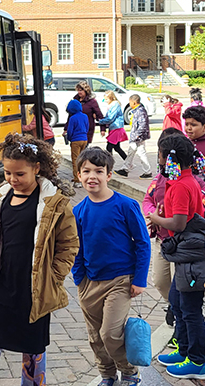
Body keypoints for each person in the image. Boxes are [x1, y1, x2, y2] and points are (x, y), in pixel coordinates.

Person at [0, 133, 79, 385]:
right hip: (3, 284)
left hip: (35, 288)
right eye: (7, 173)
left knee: (33, 351)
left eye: (20, 174)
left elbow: (69, 244)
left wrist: (53, 276)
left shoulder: (53, 203)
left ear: (37, 168)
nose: (13, 179)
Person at [72, 147, 151, 386]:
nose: (92, 176)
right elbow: (79, 247)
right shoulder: (78, 210)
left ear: (109, 175)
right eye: (86, 171)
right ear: (78, 175)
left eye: (98, 171)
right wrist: (79, 279)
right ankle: (107, 374)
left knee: (110, 333)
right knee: (96, 337)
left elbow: (143, 243)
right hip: (89, 282)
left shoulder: (125, 205)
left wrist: (139, 279)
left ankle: (129, 371)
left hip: (120, 281)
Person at [141, 128, 205, 342]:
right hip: (183, 247)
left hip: (187, 249)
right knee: (179, 303)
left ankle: (195, 358)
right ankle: (183, 348)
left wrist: (156, 219)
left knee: (189, 310)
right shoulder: (181, 180)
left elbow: (179, 224)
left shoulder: (181, 185)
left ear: (167, 157)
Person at [115, 94, 153, 178]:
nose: (129, 104)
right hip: (137, 136)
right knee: (134, 152)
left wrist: (137, 135)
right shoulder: (137, 111)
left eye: (130, 102)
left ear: (134, 102)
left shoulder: (140, 111)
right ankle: (127, 169)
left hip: (138, 137)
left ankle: (128, 169)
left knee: (136, 152)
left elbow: (142, 125)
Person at [64, 99, 89, 185]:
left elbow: (70, 131)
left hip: (75, 140)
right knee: (83, 160)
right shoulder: (85, 116)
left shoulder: (72, 118)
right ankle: (84, 177)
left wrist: (69, 138)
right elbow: (87, 127)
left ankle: (77, 179)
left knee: (75, 160)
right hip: (84, 139)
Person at [98, 90, 129, 160]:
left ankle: (109, 163)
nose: (105, 101)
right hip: (115, 128)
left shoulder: (115, 105)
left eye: (106, 99)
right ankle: (128, 162)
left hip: (116, 128)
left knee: (109, 147)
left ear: (111, 98)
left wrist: (100, 121)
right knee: (117, 147)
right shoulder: (112, 105)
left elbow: (110, 118)